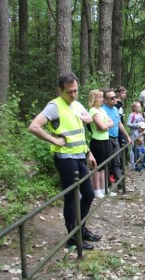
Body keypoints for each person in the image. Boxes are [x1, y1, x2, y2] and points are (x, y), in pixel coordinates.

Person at [28, 73, 101, 250]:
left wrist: (89, 152)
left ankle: (81, 228)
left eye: (76, 91)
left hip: (79, 156)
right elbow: (34, 126)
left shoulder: (76, 104)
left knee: (89, 194)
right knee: (72, 198)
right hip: (65, 158)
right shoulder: (54, 106)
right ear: (60, 90)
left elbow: (84, 126)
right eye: (70, 92)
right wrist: (54, 140)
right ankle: (72, 237)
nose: (74, 95)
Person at [102, 88, 132, 188]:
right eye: (112, 98)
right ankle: (108, 185)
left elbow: (119, 123)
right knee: (108, 162)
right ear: (105, 100)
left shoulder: (115, 109)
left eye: (115, 97)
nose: (115, 99)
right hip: (107, 138)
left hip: (115, 137)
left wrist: (127, 136)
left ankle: (120, 184)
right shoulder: (102, 110)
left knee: (117, 161)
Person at [87, 89, 115, 199]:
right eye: (100, 97)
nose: (102, 99)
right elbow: (102, 127)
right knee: (97, 166)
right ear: (94, 99)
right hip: (97, 141)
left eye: (102, 97)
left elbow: (112, 122)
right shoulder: (93, 111)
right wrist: (105, 125)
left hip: (106, 139)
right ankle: (96, 189)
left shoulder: (102, 110)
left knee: (104, 166)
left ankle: (104, 189)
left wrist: (105, 125)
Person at [127, 102, 145, 168]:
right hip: (133, 133)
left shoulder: (141, 115)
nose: (139, 108)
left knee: (140, 147)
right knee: (133, 148)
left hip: (140, 133)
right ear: (134, 108)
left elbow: (143, 122)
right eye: (137, 106)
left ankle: (139, 163)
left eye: (140, 106)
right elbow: (128, 124)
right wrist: (137, 125)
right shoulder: (132, 115)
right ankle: (132, 164)